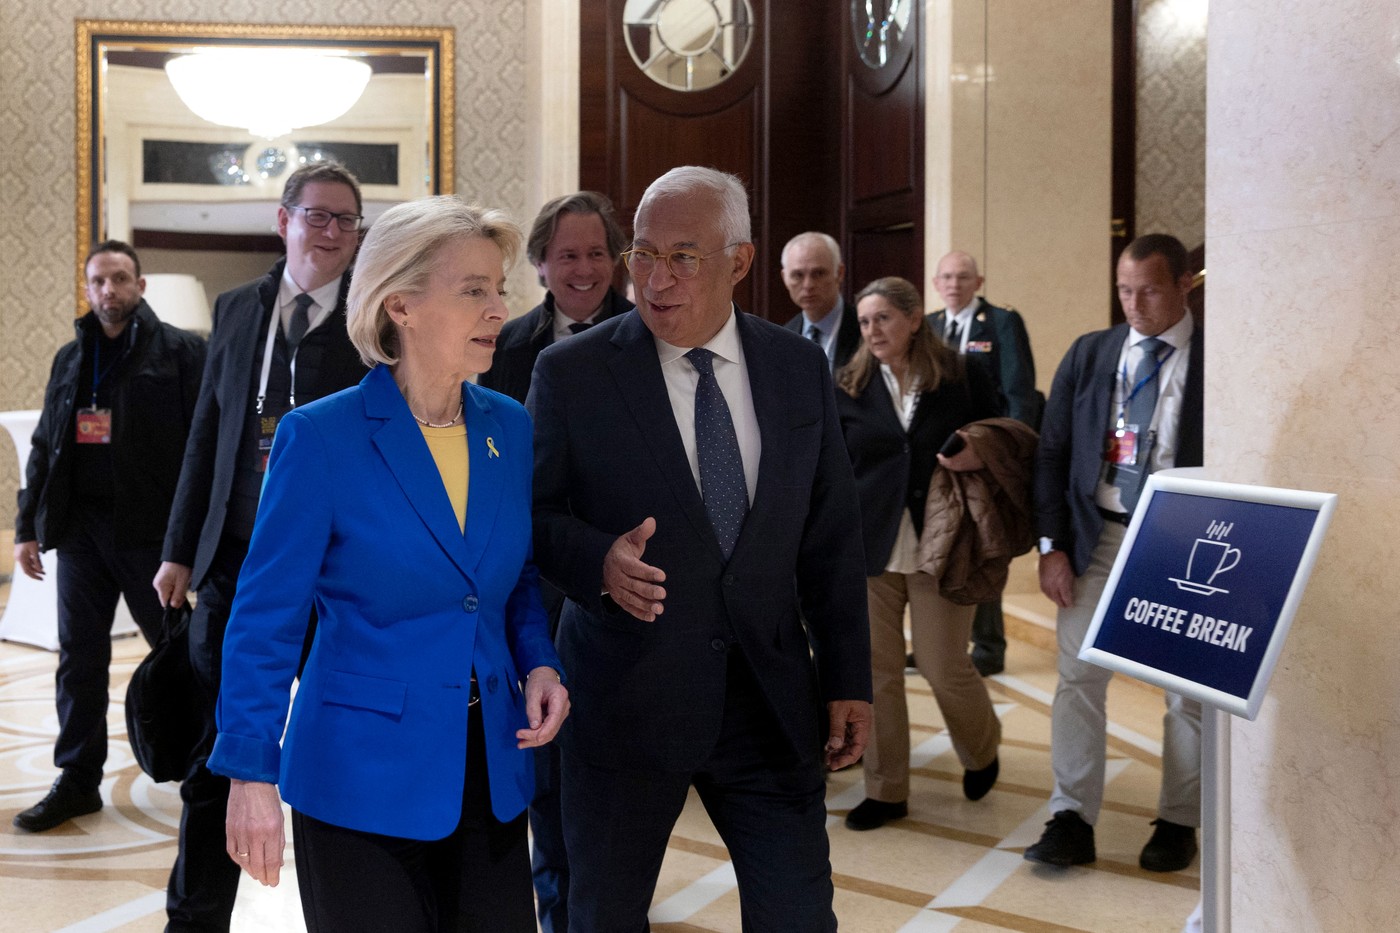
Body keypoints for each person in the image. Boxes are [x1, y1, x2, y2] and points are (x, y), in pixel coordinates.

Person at [208, 195, 570, 932]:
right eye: (473, 290)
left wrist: (539, 662)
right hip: (359, 780)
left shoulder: (508, 426)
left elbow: (514, 580)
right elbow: (265, 618)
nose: (499, 309)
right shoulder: (321, 436)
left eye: (499, 289)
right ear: (399, 304)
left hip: (491, 769)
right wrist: (249, 773)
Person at [528, 166, 872, 931]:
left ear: (739, 261)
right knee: (602, 916)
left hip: (768, 702)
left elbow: (831, 537)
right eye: (643, 254)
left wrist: (850, 676)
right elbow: (532, 515)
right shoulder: (572, 373)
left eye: (683, 257)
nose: (656, 279)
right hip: (624, 701)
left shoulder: (796, 368)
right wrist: (597, 560)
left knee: (798, 917)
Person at [153, 161, 371, 931]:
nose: (333, 231)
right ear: (284, 221)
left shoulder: (374, 316)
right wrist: (180, 547)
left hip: (336, 574)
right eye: (318, 215)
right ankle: (195, 918)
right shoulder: (237, 306)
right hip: (235, 564)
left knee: (337, 752)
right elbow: (207, 432)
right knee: (220, 749)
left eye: (347, 219)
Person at [478, 189, 632, 933]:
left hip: (621, 580)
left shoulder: (647, 336)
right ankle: (557, 908)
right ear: (541, 263)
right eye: (568, 254)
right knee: (543, 760)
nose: (584, 269)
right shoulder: (505, 346)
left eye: (597, 253)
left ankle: (606, 902)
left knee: (614, 769)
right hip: (532, 579)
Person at [11, 240, 204, 832]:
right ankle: (77, 780)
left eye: (120, 278)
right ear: (87, 289)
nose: (109, 290)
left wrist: (188, 541)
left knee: (184, 654)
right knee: (79, 660)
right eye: (98, 281)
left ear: (139, 286)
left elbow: (203, 449)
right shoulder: (72, 358)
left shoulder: (181, 352)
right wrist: (27, 526)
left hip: (152, 536)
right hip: (82, 534)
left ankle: (208, 770)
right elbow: (46, 445)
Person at [1026, 233, 1203, 872]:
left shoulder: (1219, 357)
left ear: (1184, 285)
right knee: (1078, 677)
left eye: (1149, 291)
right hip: (1097, 534)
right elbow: (1051, 452)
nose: (1134, 304)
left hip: (1182, 544)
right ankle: (1071, 817)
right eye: (1125, 290)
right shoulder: (1092, 352)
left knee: (1187, 691)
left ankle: (1179, 820)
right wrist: (1051, 546)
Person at [834, 276, 1002, 831]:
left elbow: (1004, 435)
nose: (872, 330)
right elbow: (833, 468)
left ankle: (982, 748)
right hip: (869, 545)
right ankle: (886, 790)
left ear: (912, 319)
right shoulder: (848, 384)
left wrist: (980, 450)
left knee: (941, 663)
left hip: (942, 543)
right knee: (877, 671)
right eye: (864, 322)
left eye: (882, 318)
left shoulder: (961, 376)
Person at [927, 250, 1041, 677]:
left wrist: (1009, 449)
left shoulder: (1000, 322)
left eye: (963, 277)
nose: (954, 284)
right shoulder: (930, 325)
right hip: (940, 456)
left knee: (985, 547)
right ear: (936, 284)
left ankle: (989, 646)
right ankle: (940, 645)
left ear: (978, 282)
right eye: (946, 278)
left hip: (985, 456)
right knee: (941, 549)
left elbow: (1019, 391)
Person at [781, 231, 861, 371]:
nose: (808, 285)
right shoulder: (782, 338)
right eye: (798, 275)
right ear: (784, 278)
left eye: (818, 273)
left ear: (839, 273)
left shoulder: (865, 331)